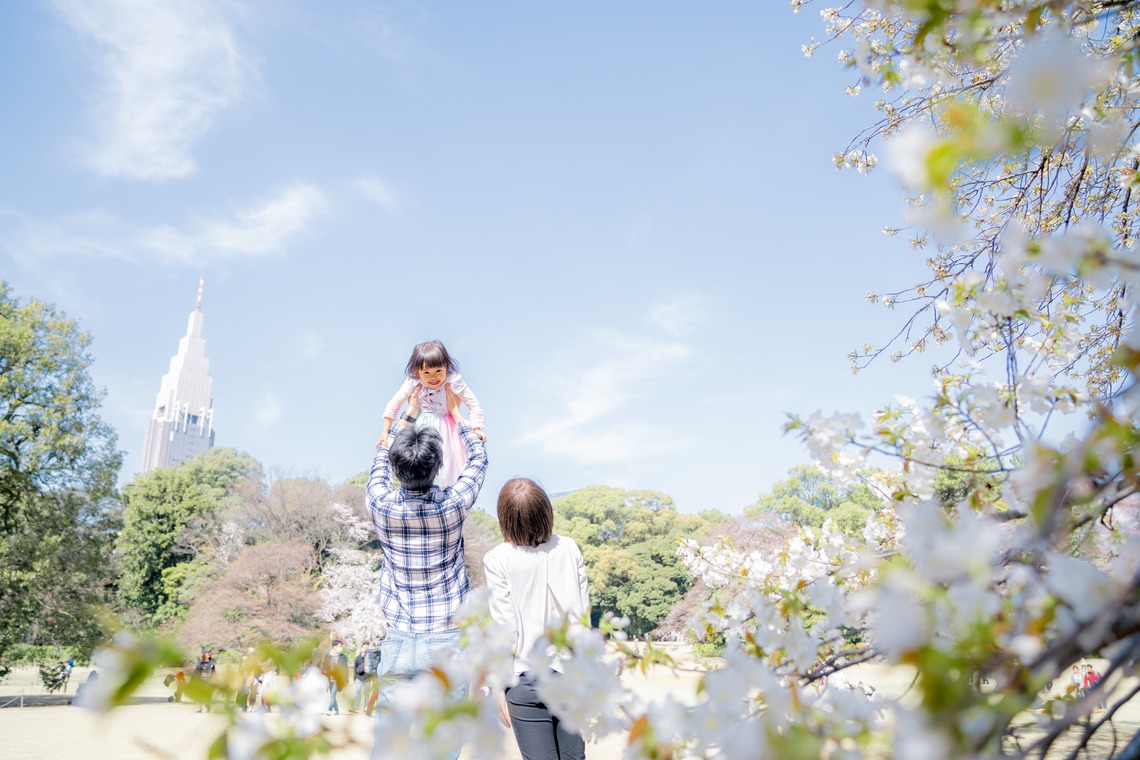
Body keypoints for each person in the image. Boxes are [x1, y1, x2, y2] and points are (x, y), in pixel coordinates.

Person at [366, 384, 488, 759]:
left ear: (396, 467)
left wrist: (409, 414)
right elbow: (479, 460)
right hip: (448, 640)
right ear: (438, 467)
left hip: (400, 637)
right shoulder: (453, 507)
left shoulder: (381, 505)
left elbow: (380, 458)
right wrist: (458, 414)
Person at [483, 478, 590, 760]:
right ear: (545, 511)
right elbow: (582, 616)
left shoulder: (498, 559)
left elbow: (506, 628)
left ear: (505, 518)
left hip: (525, 679)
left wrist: (497, 685)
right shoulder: (568, 548)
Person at [380, 340, 484, 487]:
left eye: (438, 371)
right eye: (426, 373)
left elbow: (473, 404)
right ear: (418, 372)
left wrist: (476, 428)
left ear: (446, 367)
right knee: (419, 459)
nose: (433, 377)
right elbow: (394, 403)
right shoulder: (413, 381)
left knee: (447, 461)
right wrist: (385, 431)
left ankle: (445, 491)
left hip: (447, 427)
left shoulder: (453, 380)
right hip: (421, 426)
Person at [322, 640, 349, 715]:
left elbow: (345, 669)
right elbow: (324, 666)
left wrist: (345, 680)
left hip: (337, 680)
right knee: (332, 695)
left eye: (341, 647)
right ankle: (336, 710)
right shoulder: (327, 656)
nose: (340, 648)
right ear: (334, 647)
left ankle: (329, 709)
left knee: (333, 694)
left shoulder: (343, 657)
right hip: (329, 678)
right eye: (339, 646)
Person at [350, 640, 373, 713]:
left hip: (367, 679)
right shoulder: (358, 658)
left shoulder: (371, 658)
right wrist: (354, 678)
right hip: (359, 678)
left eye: (367, 648)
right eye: (364, 647)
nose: (365, 649)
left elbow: (373, 668)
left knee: (367, 694)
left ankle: (366, 708)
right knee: (357, 692)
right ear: (361, 648)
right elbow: (355, 668)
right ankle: (356, 707)